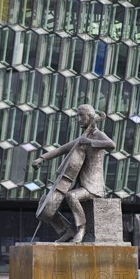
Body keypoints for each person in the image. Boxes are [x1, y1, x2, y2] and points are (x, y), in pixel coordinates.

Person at [32, 104, 115, 243]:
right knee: (47, 204)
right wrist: (42, 158)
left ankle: (82, 228)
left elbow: (111, 145)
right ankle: (67, 231)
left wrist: (89, 142)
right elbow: (61, 150)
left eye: (81, 115)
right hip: (78, 184)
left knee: (71, 196)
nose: (78, 119)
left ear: (90, 116)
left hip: (93, 187)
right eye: (78, 115)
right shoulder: (81, 138)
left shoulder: (97, 135)